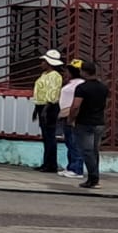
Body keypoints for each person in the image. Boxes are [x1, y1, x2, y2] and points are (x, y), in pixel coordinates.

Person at [65, 60, 108, 190]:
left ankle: (93, 179)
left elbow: (75, 106)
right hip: (99, 122)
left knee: (87, 151)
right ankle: (94, 177)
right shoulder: (103, 87)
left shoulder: (82, 88)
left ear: (83, 72)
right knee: (94, 151)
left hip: (85, 123)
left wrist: (70, 119)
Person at [31, 49, 65, 173]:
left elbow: (52, 94)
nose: (41, 64)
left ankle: (51, 165)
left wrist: (45, 109)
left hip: (49, 107)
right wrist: (36, 109)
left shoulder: (55, 76)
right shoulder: (44, 75)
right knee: (46, 137)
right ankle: (46, 162)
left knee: (50, 137)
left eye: (43, 61)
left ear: (49, 63)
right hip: (42, 106)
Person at [57, 59, 86, 180]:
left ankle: (77, 169)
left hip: (73, 115)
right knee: (69, 142)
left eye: (68, 71)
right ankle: (70, 166)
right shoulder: (71, 83)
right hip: (65, 114)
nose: (66, 73)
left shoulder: (80, 84)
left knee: (75, 143)